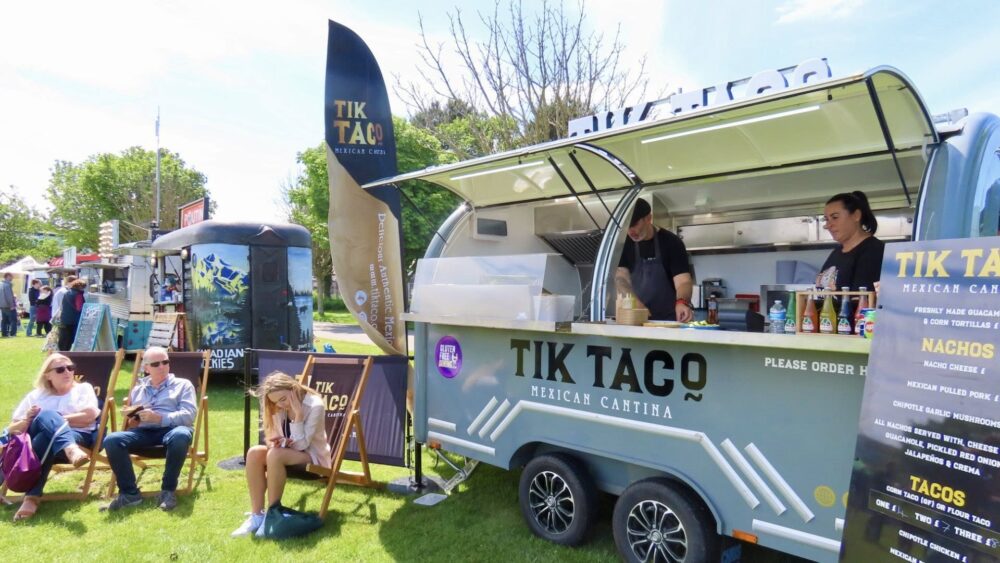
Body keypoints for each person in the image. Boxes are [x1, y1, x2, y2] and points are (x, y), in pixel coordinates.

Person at [231, 372, 331, 537]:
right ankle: (257, 516)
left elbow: (303, 444)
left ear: (294, 389)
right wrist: (279, 441)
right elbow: (275, 439)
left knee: (275, 455)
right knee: (254, 452)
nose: (281, 405)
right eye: (276, 402)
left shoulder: (315, 405)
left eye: (283, 399)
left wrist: (298, 416)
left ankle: (272, 516)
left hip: (315, 459)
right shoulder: (277, 406)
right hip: (288, 454)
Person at [101, 346, 196, 512]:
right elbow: (133, 424)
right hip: (144, 432)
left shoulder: (183, 385)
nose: (162, 366)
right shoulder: (138, 389)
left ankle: (167, 491)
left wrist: (160, 418)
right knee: (112, 440)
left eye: (165, 362)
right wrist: (133, 417)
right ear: (146, 368)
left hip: (173, 429)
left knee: (181, 434)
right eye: (156, 364)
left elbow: (189, 416)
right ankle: (129, 494)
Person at [6, 354, 97, 520]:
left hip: (78, 435)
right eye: (60, 369)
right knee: (46, 417)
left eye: (70, 368)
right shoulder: (36, 395)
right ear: (47, 374)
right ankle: (71, 449)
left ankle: (32, 498)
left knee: (45, 436)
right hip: (63, 444)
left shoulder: (84, 389)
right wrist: (28, 419)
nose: (67, 372)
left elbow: (90, 416)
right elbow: (12, 428)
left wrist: (55, 420)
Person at [615, 198, 695, 321]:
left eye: (634, 225)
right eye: (627, 226)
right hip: (637, 320)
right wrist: (635, 303)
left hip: (670, 321)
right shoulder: (624, 244)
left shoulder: (671, 242)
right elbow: (621, 279)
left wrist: (681, 302)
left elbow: (683, 282)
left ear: (648, 218)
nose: (631, 231)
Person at [816, 191, 885, 291]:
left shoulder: (874, 251)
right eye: (826, 219)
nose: (827, 225)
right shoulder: (836, 253)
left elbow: (861, 299)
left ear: (856, 215)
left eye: (835, 217)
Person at [58, 279, 86, 351]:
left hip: (64, 318)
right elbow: (79, 308)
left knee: (63, 339)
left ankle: (61, 353)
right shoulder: (78, 295)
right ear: (80, 287)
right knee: (70, 340)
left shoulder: (67, 293)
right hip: (74, 320)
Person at [0, 272, 16, 337]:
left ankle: (4, 333)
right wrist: (12, 305)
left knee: (4, 321)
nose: (12, 278)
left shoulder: (1, 284)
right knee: (13, 320)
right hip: (8, 306)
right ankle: (12, 333)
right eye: (12, 276)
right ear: (8, 276)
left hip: (2, 305)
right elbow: (9, 296)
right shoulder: (7, 285)